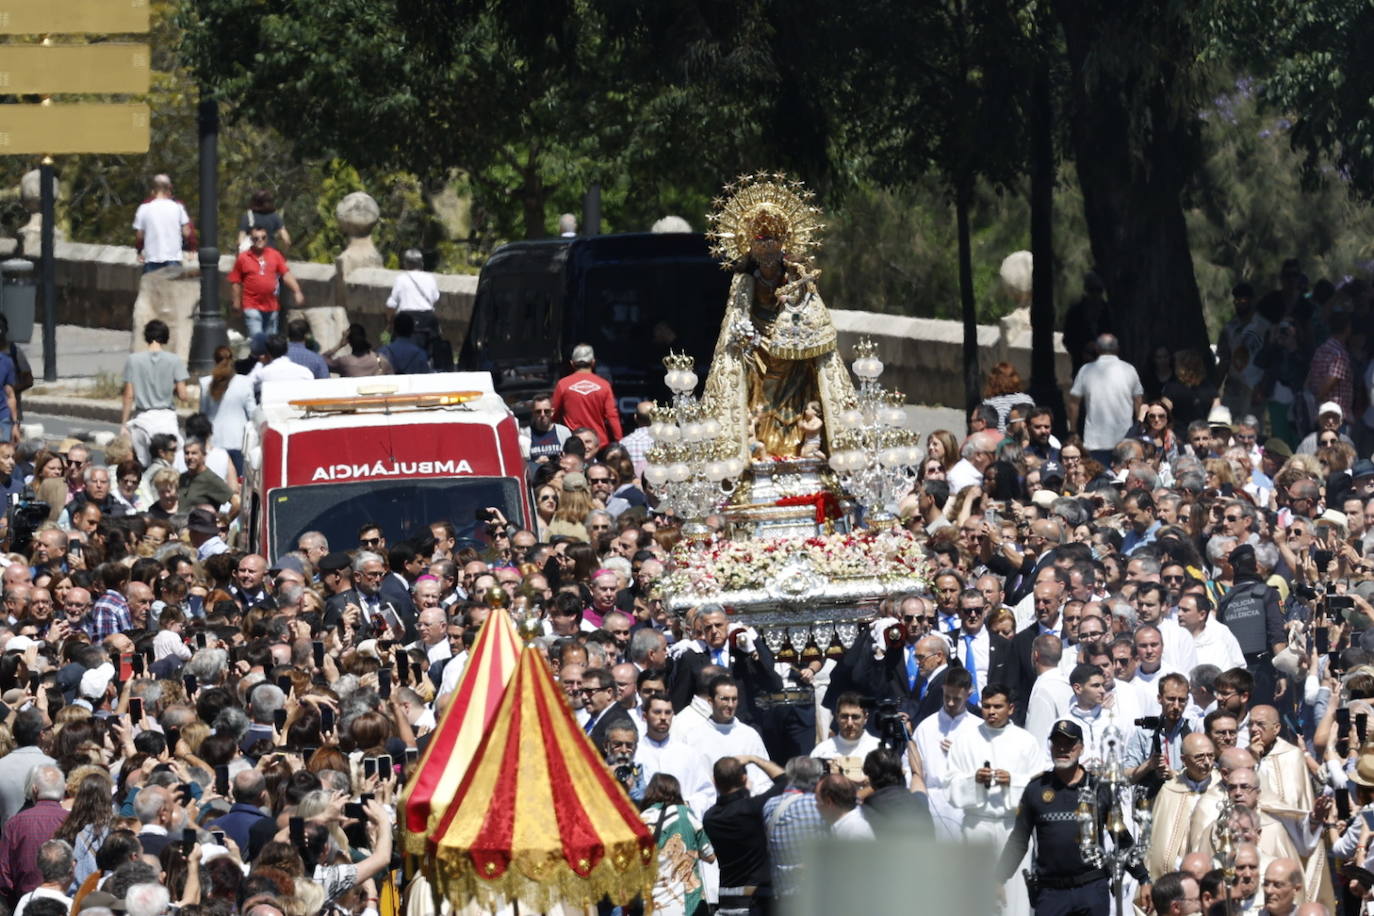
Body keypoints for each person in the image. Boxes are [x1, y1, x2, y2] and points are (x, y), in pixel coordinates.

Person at [700, 175, 858, 459]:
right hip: (757, 344)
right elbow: (738, 313)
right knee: (758, 395)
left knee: (798, 396)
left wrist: (793, 300)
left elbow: (810, 308)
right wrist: (743, 338)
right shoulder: (745, 282)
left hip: (793, 344)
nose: (769, 268)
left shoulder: (797, 275)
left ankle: (800, 447)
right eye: (763, 261)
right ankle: (758, 446)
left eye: (773, 261)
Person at [999, 720, 1149, 916]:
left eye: (1069, 744)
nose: (1063, 749)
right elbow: (1018, 840)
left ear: (1081, 748)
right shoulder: (1035, 789)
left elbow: (1121, 839)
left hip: (1091, 888)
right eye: (1057, 743)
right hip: (1050, 892)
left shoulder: (1099, 789)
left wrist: (1144, 879)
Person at [947, 684, 1045, 915]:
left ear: (1010, 708)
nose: (991, 711)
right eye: (986, 706)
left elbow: (1038, 785)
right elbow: (950, 784)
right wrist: (974, 781)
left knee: (1014, 896)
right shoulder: (966, 740)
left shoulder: (1026, 741)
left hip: (1013, 827)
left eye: (997, 706)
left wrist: (1013, 781)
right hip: (976, 825)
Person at [641, 774, 716, 916]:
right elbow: (710, 856)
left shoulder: (641, 819)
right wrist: (692, 851)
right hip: (688, 905)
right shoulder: (685, 814)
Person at [120, 319, 189, 467]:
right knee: (171, 463)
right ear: (165, 337)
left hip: (143, 418)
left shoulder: (133, 360)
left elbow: (129, 395)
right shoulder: (175, 360)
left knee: (144, 464)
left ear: (146, 336)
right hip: (166, 417)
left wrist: (124, 423)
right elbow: (183, 395)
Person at [1068, 333, 1144, 464]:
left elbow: (1073, 403)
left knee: (1098, 481)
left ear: (1097, 349)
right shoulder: (1129, 370)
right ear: (1118, 349)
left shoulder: (1085, 370)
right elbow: (1138, 401)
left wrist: (1073, 431)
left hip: (1095, 441)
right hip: (1125, 439)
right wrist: (1140, 429)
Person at [228, 224, 304, 337]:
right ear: (251, 239)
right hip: (251, 306)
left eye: (263, 237)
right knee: (257, 341)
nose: (260, 240)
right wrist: (236, 302)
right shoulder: (243, 258)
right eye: (256, 238)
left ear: (267, 238)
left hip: (272, 307)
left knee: (270, 343)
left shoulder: (275, 255)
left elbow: (286, 274)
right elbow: (236, 281)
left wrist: (297, 291)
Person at [199, 345, 255, 476]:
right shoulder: (245, 382)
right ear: (232, 360)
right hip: (239, 441)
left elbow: (202, 416)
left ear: (214, 360)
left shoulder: (205, 382)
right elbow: (252, 413)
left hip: (214, 441)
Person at [552, 343, 621, 449]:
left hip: (573, 444)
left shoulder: (563, 384)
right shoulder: (604, 385)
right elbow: (612, 416)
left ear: (572, 363)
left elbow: (553, 416)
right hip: (598, 444)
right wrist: (619, 441)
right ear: (593, 363)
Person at [131, 174, 190, 272]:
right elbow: (186, 232)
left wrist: (140, 251)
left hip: (152, 259)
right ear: (169, 188)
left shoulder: (144, 209)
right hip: (173, 258)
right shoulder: (178, 207)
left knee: (151, 287)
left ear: (153, 189)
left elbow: (139, 236)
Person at [385, 249, 441, 351]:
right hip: (427, 319)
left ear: (406, 264)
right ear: (421, 263)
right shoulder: (430, 278)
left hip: (406, 319)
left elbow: (391, 304)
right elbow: (435, 298)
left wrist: (390, 323)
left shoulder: (401, 279)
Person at [248, 334, 314, 401]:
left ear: (268, 353)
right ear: (287, 349)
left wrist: (260, 363)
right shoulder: (305, 372)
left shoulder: (262, 373)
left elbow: (247, 386)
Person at [323, 323, 391, 377]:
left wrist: (339, 345)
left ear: (348, 341)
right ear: (365, 337)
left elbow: (321, 361)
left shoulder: (344, 362)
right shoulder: (381, 361)